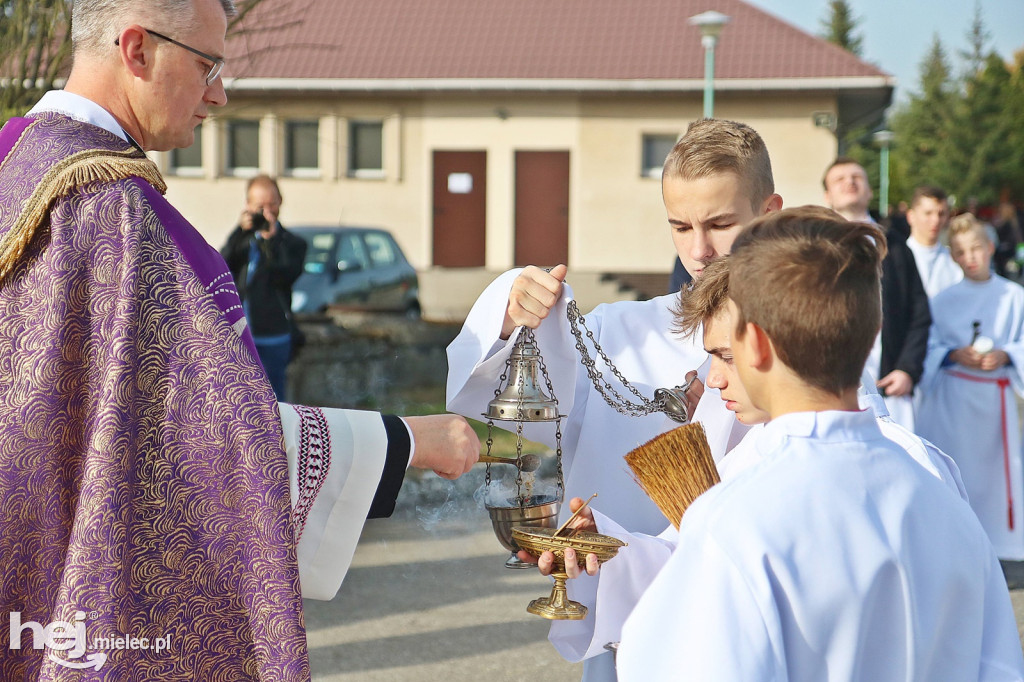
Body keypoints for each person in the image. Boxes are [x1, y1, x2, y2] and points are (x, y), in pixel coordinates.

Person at [0, 1, 477, 679]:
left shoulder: (18, 169)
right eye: (207, 65)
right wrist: (411, 443)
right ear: (137, 50)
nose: (219, 94)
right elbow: (215, 448)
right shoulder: (116, 220)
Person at [615, 206, 1024, 680]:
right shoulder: (942, 494)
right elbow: (998, 665)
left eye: (726, 353)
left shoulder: (736, 521)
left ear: (755, 344)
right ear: (872, 332)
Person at [447, 118, 781, 681]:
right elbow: (507, 427)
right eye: (680, 226)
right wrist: (508, 317)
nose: (698, 250)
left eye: (721, 224)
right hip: (624, 624)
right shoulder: (614, 333)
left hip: (752, 622)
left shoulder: (806, 348)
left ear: (768, 214)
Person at [527, 255, 967, 664]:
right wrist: (607, 547)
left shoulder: (909, 470)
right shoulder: (752, 457)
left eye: (724, 357)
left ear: (772, 344)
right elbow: (685, 559)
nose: (713, 380)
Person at [917, 213, 1024, 560]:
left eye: (977, 248)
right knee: (956, 470)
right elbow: (928, 346)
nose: (971, 257)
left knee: (993, 477)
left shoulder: (1014, 296)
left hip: (994, 400)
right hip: (953, 399)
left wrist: (1007, 355)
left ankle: (999, 546)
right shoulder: (942, 300)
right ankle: (955, 544)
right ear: (953, 256)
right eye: (961, 251)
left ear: (991, 247)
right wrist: (951, 353)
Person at [823, 157, 930, 431]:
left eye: (857, 177)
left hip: (891, 384)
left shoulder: (895, 245)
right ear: (827, 195)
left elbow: (919, 312)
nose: (850, 182)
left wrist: (907, 368)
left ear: (869, 191)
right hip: (831, 386)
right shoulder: (814, 248)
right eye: (840, 179)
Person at [221, 175, 307, 400]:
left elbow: (285, 274)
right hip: (240, 333)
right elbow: (222, 264)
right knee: (239, 398)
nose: (267, 212)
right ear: (248, 206)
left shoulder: (292, 243)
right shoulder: (243, 240)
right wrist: (240, 231)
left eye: (272, 204)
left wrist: (270, 241)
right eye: (260, 206)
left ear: (281, 202)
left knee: (274, 400)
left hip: (273, 335)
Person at [904, 185, 961, 298]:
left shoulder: (954, 261)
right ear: (911, 216)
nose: (936, 220)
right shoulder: (897, 259)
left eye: (941, 214)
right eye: (928, 213)